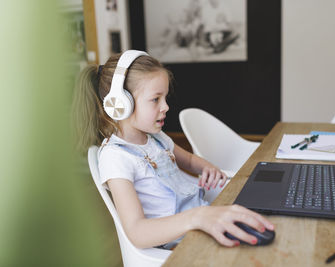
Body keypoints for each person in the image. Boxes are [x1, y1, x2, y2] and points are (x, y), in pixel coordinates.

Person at [71, 50, 274, 250]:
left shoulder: (156, 139)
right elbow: (137, 232)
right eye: (155, 99)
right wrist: (196, 218)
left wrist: (207, 167)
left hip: (201, 219)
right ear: (121, 104)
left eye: (165, 98)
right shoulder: (115, 158)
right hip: (177, 242)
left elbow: (190, 161)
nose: (166, 106)